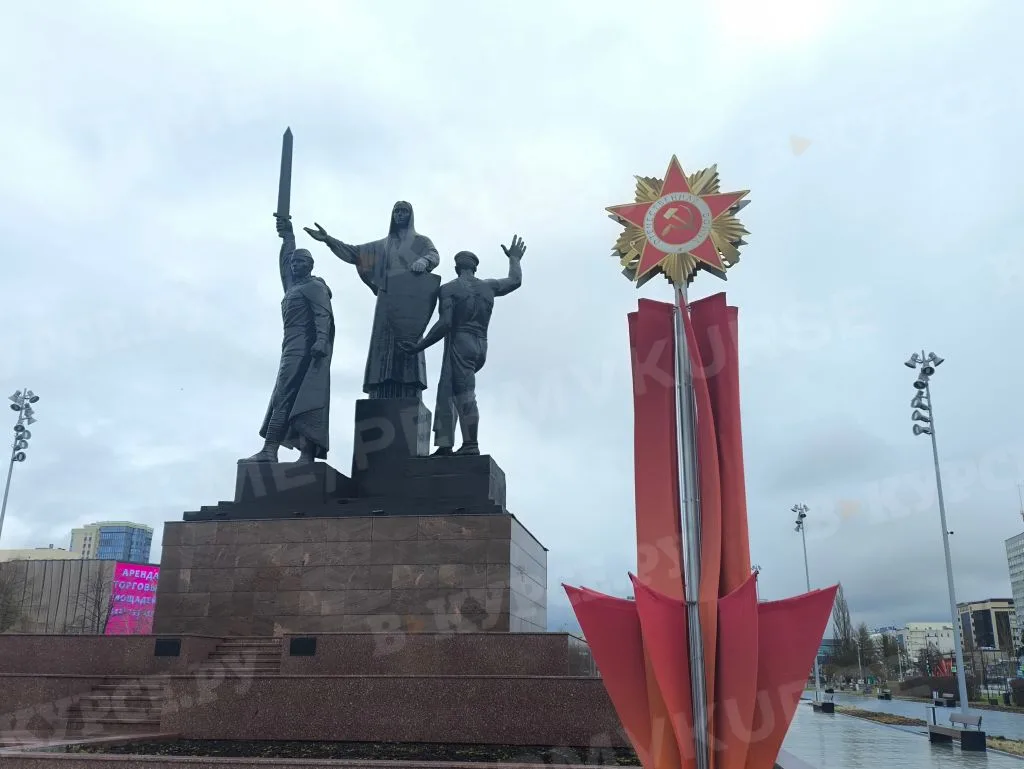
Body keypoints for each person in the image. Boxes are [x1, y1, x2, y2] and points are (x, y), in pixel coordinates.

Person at [400, 235, 525, 456]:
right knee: (448, 390)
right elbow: (515, 280)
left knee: (464, 394)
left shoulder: (449, 289)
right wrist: (514, 259)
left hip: (460, 342)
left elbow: (445, 323)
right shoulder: (489, 287)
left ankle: (470, 444)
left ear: (456, 268)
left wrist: (419, 346)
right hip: (480, 345)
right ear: (475, 268)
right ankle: (445, 445)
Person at [304, 201, 440, 399]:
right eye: (396, 211)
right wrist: (328, 239)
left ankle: (409, 390)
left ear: (411, 216)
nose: (399, 214)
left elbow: (433, 255)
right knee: (382, 345)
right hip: (387, 298)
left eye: (404, 211)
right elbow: (354, 253)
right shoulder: (381, 246)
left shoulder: (420, 242)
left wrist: (424, 260)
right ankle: (379, 389)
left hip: (409, 302)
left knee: (408, 343)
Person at [240, 215, 334, 463]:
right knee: (285, 396)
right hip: (290, 346)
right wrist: (288, 236)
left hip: (304, 348)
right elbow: (284, 261)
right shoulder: (293, 287)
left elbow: (323, 315)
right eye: (294, 262)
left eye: (301, 261)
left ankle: (272, 449)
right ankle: (274, 450)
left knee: (286, 395)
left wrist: (321, 341)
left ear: (310, 265)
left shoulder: (314, 287)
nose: (295, 265)